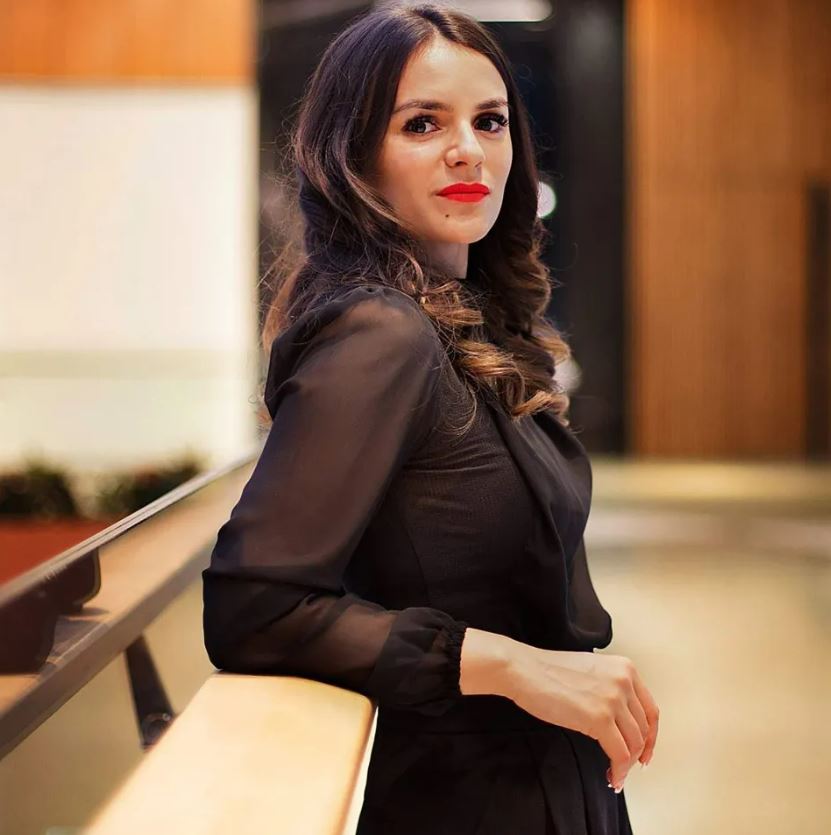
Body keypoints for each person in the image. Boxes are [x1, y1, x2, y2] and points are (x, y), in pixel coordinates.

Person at [202, 3, 659, 833]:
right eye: (422, 123)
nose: (467, 150)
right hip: (468, 796)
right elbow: (253, 607)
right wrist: (513, 665)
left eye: (490, 121)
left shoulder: (463, 324)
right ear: (356, 158)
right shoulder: (380, 333)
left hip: (545, 782)